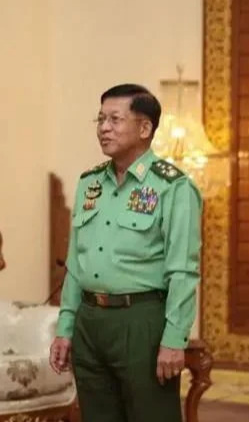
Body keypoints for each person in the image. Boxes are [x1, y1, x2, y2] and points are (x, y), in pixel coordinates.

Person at [49, 84, 202, 422]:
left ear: (144, 128)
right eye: (100, 119)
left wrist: (174, 339)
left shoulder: (173, 187)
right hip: (90, 321)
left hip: (141, 321)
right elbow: (76, 263)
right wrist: (65, 327)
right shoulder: (89, 183)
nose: (104, 128)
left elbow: (183, 270)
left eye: (115, 120)